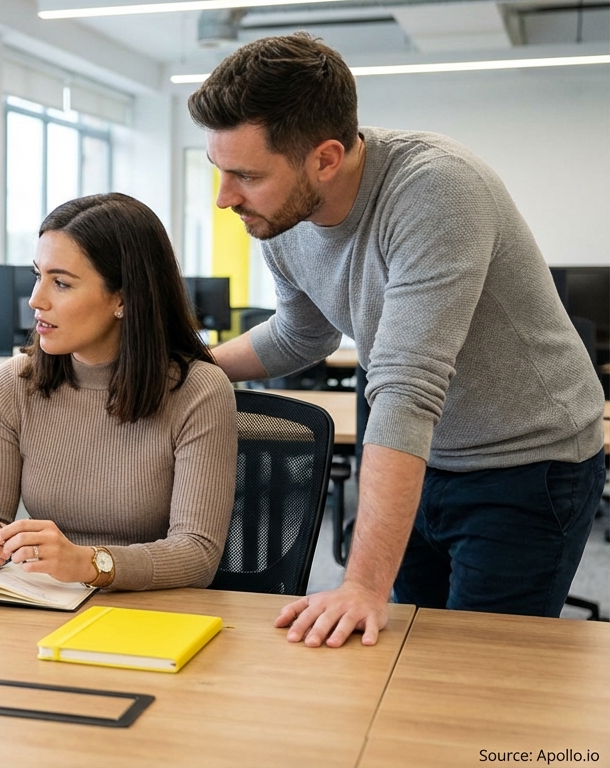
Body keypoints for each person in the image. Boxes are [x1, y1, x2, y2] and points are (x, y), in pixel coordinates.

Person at [189, 33, 605, 647]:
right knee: (406, 654)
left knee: (479, 669)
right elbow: (302, 333)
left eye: (246, 175)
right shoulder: (281, 216)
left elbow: (407, 388)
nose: (226, 198)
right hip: (418, 457)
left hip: (524, 463)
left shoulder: (436, 190)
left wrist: (361, 583)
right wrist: (189, 367)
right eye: (219, 171)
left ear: (325, 159)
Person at [0, 193, 237, 590]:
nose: (36, 300)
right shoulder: (14, 384)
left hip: (152, 619)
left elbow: (197, 554)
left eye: (61, 283)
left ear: (122, 298)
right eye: (38, 275)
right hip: (45, 607)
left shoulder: (198, 392)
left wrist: (90, 564)